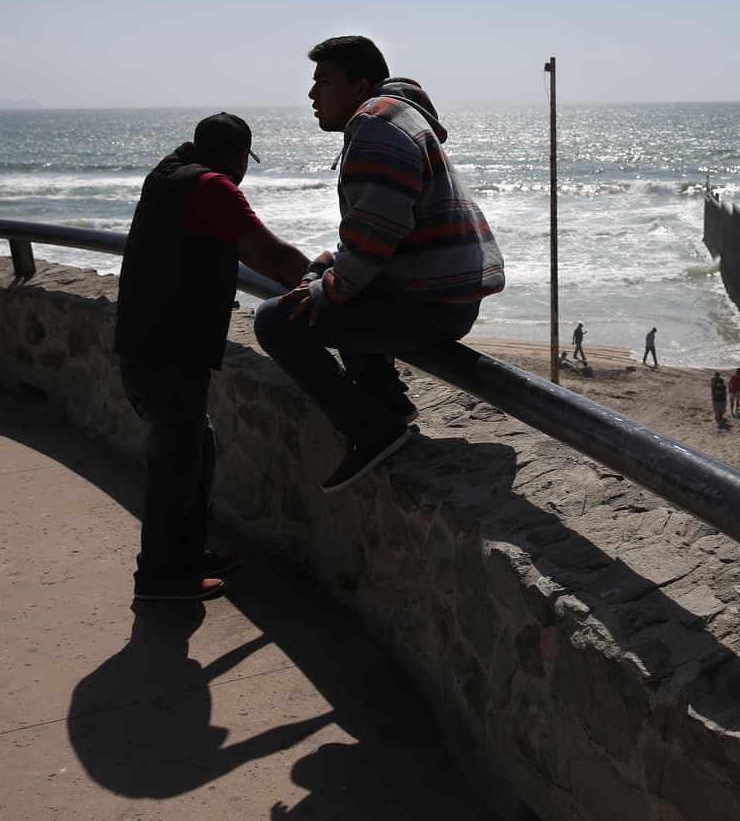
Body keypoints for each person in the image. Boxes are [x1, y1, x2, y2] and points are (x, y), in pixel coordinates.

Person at [254, 36, 505, 495]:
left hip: (430, 303)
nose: (312, 96)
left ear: (359, 85)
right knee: (337, 290)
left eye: (323, 83)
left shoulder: (375, 127)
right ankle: (388, 402)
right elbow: (368, 232)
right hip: (442, 293)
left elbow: (375, 240)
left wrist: (321, 290)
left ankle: (373, 431)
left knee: (274, 321)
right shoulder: (392, 117)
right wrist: (322, 271)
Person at [115, 113, 311, 600]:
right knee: (175, 465)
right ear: (238, 156)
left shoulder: (167, 174)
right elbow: (268, 256)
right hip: (170, 350)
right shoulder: (213, 189)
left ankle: (183, 555)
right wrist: (326, 281)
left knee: (193, 452)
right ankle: (160, 577)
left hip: (146, 342)